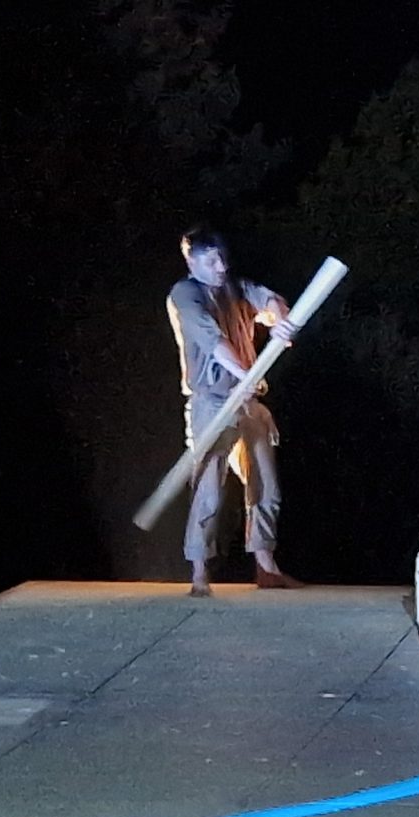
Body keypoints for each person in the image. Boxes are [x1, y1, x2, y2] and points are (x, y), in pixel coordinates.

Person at [167, 225, 302, 596]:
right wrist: (247, 375)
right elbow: (214, 344)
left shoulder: (234, 287)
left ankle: (266, 566)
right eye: (212, 262)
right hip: (211, 401)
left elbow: (270, 300)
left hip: (248, 400)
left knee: (266, 484)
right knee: (209, 486)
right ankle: (199, 572)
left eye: (222, 259)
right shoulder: (185, 295)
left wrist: (279, 319)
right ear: (192, 262)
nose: (221, 267)